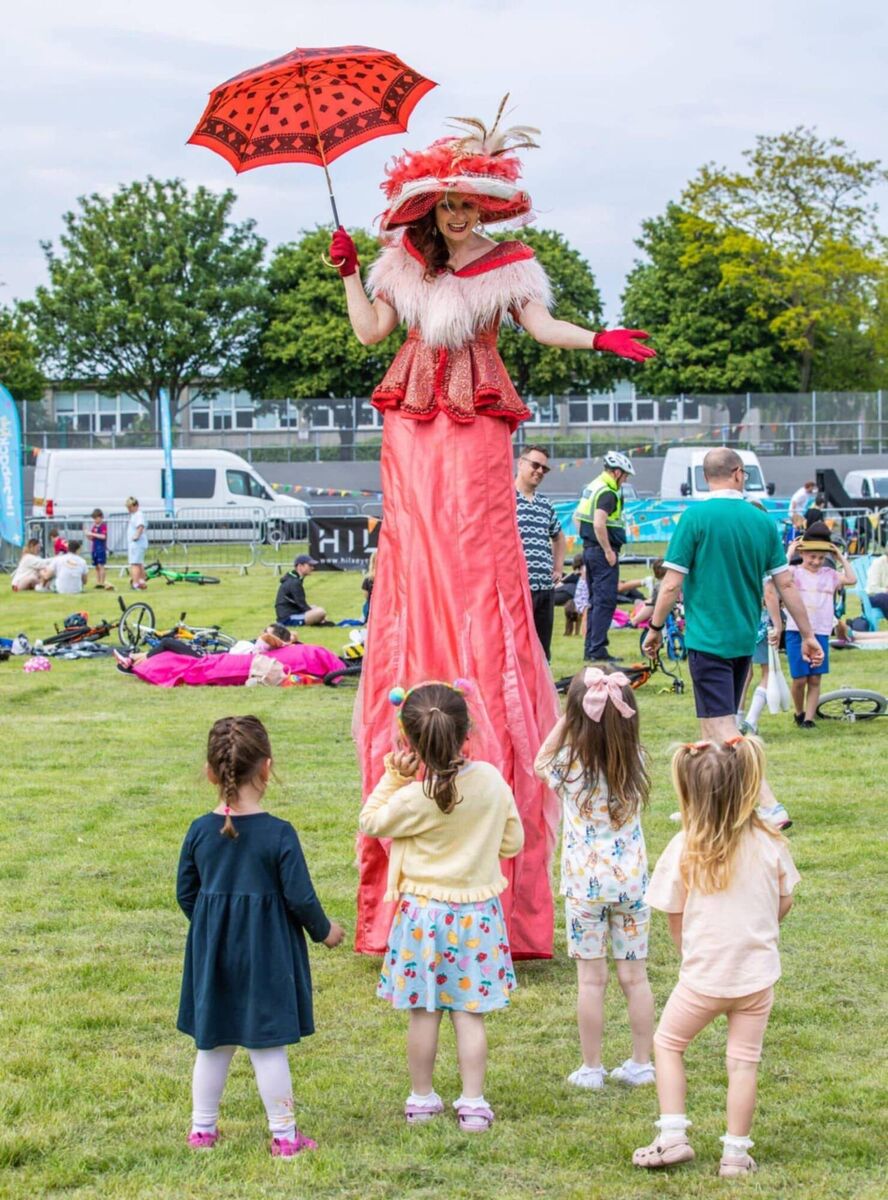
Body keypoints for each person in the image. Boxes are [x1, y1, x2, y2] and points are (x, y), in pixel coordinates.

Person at [329, 102, 655, 957]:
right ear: (429, 209)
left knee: (477, 559)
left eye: (468, 202)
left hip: (476, 426)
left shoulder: (510, 267)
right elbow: (370, 332)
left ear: (487, 204)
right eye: (445, 205)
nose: (457, 215)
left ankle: (473, 695)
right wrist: (348, 276)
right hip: (412, 424)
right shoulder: (403, 263)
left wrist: (599, 337)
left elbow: (542, 327)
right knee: (418, 552)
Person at [358, 683, 524, 1132]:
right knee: (470, 1013)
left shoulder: (414, 797)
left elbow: (370, 820)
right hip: (477, 917)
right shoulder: (490, 780)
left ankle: (422, 1098)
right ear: (466, 732)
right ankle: (473, 1103)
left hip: (422, 918)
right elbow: (514, 841)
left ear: (410, 743)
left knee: (424, 1012)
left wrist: (394, 776)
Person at [176, 716, 344, 1156]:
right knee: (267, 1047)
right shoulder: (279, 833)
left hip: (213, 958)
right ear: (267, 767)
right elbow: (301, 898)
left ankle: (202, 1132)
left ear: (212, 772)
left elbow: (186, 893)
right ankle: (285, 1137)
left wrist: (214, 927)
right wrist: (326, 932)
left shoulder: (198, 831)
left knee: (213, 1045)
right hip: (267, 957)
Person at [633, 737, 799, 1179]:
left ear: (689, 789)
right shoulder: (770, 843)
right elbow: (784, 901)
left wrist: (690, 951)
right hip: (756, 976)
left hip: (702, 978)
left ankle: (672, 1136)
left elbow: (673, 911)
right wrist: (762, 929)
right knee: (743, 1061)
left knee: (668, 1044)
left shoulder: (685, 846)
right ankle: (735, 1156)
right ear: (748, 784)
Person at [642, 448, 822, 823]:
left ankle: (769, 803)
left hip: (707, 639)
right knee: (711, 726)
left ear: (707, 476)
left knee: (723, 725)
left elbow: (672, 583)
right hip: (742, 637)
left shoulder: (694, 518)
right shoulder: (761, 522)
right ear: (738, 473)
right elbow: (785, 583)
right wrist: (807, 634)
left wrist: (655, 628)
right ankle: (702, 807)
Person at [534, 668, 655, 1091]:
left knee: (591, 980)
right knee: (635, 978)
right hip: (633, 886)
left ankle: (591, 1067)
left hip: (585, 887)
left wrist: (567, 719)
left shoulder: (568, 766)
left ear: (577, 718)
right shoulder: (636, 760)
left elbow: (540, 760)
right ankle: (642, 1062)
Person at [772, 522, 855, 728]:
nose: (816, 561)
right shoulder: (793, 572)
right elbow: (776, 574)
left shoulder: (830, 575)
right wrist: (790, 551)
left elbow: (852, 579)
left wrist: (838, 556)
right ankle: (799, 712)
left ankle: (809, 719)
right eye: (812, 557)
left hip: (821, 631)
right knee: (800, 678)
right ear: (803, 553)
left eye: (820, 557)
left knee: (815, 678)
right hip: (796, 631)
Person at [575, 451, 637, 664]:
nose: (626, 480)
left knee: (595, 600)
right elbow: (599, 523)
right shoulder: (608, 492)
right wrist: (608, 550)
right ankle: (598, 649)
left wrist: (589, 543)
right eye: (625, 475)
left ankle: (590, 648)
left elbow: (577, 518)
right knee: (605, 601)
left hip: (590, 550)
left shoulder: (593, 487)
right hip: (602, 553)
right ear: (617, 472)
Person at [514, 445, 567, 660]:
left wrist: (558, 568)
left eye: (544, 468)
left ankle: (542, 690)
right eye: (535, 465)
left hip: (544, 587)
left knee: (543, 649)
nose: (539, 471)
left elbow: (559, 537)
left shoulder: (545, 504)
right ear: (521, 463)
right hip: (517, 588)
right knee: (518, 646)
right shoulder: (504, 498)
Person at [738, 587, 784, 736]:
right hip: (762, 623)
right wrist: (778, 624)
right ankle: (751, 720)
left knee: (743, 673)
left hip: (740, 620)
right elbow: (769, 593)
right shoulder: (765, 566)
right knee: (768, 672)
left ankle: (736, 719)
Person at [275, 555, 327, 626]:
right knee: (321, 612)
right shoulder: (295, 582)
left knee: (315, 607)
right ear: (300, 566)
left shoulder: (293, 579)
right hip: (288, 619)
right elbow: (302, 605)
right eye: (309, 565)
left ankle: (321, 621)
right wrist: (318, 616)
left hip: (289, 614)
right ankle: (322, 622)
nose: (312, 568)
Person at [125, 497, 148, 590]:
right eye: (128, 507)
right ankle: (142, 581)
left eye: (130, 507)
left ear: (136, 505)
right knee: (139, 563)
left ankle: (135, 584)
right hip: (138, 544)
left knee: (134, 564)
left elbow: (140, 526)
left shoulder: (138, 515)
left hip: (136, 544)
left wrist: (136, 536)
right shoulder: (135, 515)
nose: (129, 509)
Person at [87, 508, 111, 589]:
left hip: (101, 549)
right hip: (94, 548)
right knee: (96, 566)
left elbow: (103, 536)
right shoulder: (94, 527)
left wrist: (93, 534)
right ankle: (98, 582)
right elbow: (92, 538)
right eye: (94, 519)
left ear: (100, 517)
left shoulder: (103, 526)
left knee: (101, 566)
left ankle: (102, 582)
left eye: (96, 518)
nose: (95, 520)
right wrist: (88, 535)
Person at [866, 550, 888, 620]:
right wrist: (886, 590)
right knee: (884, 597)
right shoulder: (878, 563)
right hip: (873, 596)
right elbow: (872, 589)